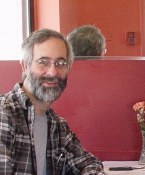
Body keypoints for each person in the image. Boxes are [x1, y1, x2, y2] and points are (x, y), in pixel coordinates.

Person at [0, 28, 105, 174]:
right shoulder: (4, 115)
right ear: (25, 66)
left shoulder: (57, 125)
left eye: (60, 63)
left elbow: (89, 163)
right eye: (43, 62)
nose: (52, 72)